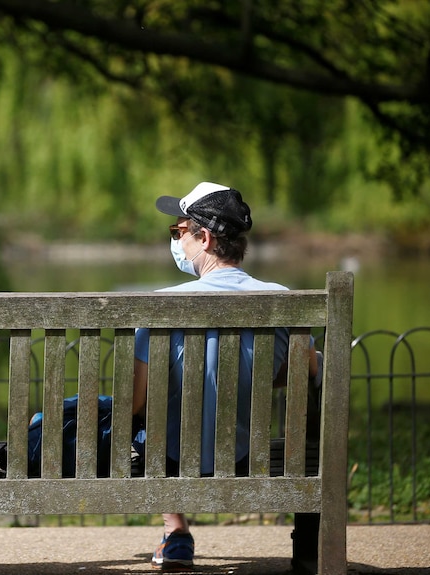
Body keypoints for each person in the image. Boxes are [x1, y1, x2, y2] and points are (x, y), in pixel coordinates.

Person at [133, 182, 319, 571]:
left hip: (169, 461)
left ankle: (177, 533)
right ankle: (308, 548)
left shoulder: (161, 305)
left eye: (179, 231)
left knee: (147, 423)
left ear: (204, 237)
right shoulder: (282, 301)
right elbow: (308, 371)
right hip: (247, 457)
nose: (177, 242)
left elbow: (136, 403)